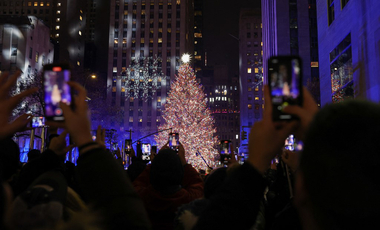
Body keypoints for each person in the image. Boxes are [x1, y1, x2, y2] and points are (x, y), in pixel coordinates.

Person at [133, 143, 204, 230]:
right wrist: (184, 163)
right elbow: (197, 184)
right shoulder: (189, 200)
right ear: (180, 173)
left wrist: (155, 163)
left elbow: (137, 184)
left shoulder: (141, 198)